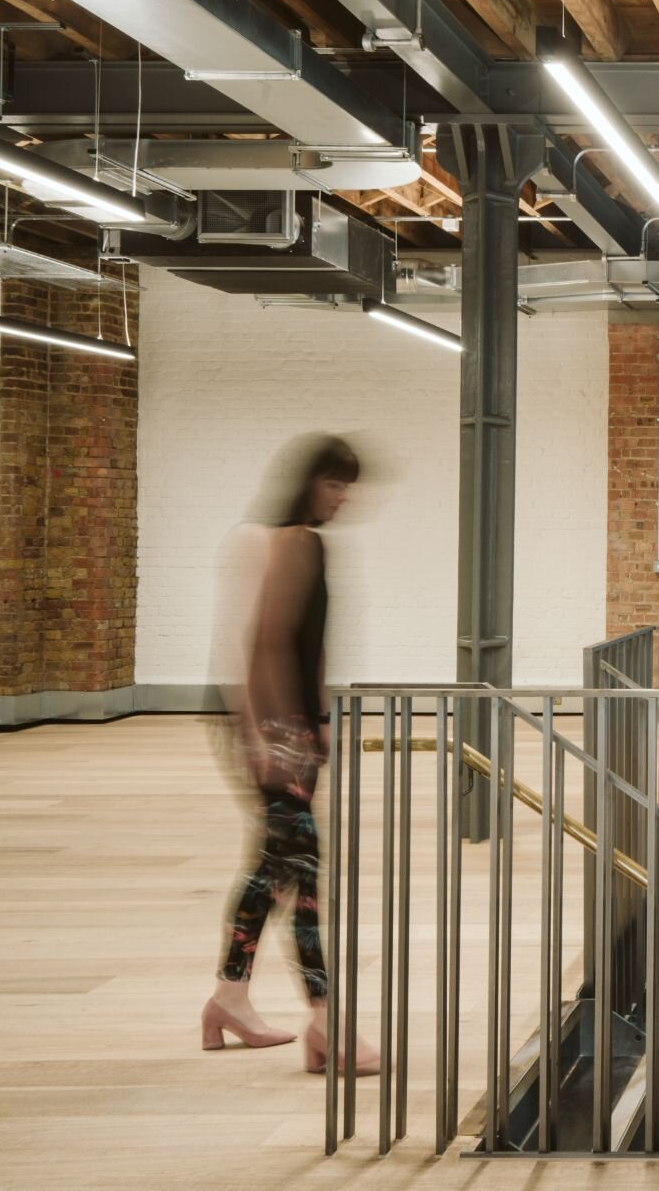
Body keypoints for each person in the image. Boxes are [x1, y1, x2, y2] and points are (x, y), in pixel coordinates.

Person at [200, 434, 377, 1076]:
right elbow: (268, 644)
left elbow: (310, 645)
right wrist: (269, 735)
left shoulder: (307, 544)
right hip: (279, 734)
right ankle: (327, 1023)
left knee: (276, 867)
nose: (343, 496)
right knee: (303, 874)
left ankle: (228, 999)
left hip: (293, 728)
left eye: (347, 485)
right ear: (307, 483)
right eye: (334, 484)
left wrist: (322, 716)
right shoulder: (295, 542)